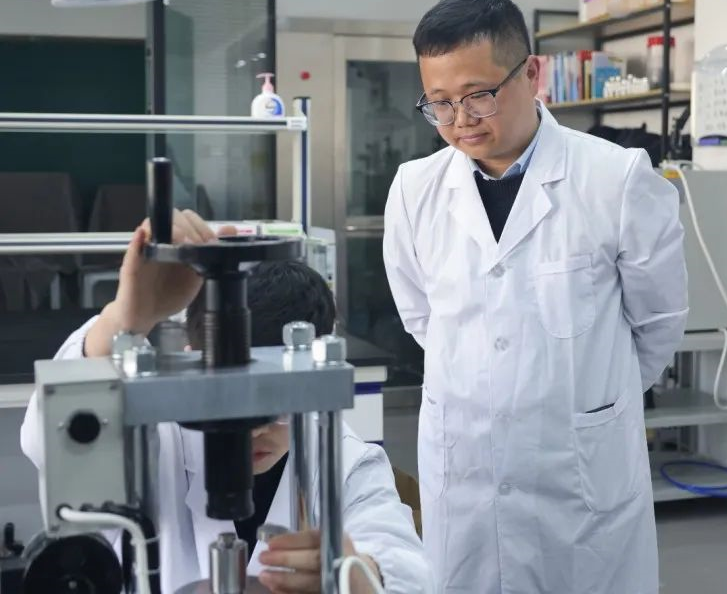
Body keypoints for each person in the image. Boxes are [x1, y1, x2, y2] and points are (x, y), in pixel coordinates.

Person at [382, 0, 689, 593]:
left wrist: (585, 401)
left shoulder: (616, 178)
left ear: (531, 73)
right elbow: (421, 317)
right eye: (439, 103)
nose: (460, 120)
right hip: (464, 476)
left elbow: (658, 324)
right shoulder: (414, 190)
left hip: (578, 482)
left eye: (478, 95)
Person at [21, 212, 434, 594]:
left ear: (313, 380)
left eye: (277, 402)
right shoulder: (152, 442)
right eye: (230, 404)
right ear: (194, 366)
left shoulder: (344, 463)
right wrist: (125, 319)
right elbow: (51, 440)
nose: (254, 430)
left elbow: (407, 571)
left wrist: (358, 575)